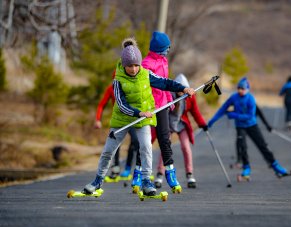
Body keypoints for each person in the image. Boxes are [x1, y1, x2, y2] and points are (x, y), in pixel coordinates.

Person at [82, 38, 195, 196]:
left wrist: (183, 88)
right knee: (108, 151)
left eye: (136, 65)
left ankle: (146, 182)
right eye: (130, 66)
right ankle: (97, 181)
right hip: (123, 119)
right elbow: (121, 104)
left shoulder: (145, 74)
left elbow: (165, 83)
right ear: (124, 64)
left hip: (143, 120)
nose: (134, 69)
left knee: (146, 148)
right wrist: (139, 113)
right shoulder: (118, 80)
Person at [208, 77, 291, 180]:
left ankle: (276, 166)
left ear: (247, 89)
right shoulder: (234, 97)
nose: (240, 90)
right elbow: (222, 110)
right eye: (238, 88)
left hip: (252, 125)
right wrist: (212, 121)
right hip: (240, 126)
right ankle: (246, 167)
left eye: (242, 89)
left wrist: (234, 115)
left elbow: (250, 116)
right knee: (242, 146)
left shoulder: (251, 99)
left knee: (262, 146)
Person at [132, 31, 182, 193]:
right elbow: (149, 85)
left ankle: (170, 173)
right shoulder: (146, 64)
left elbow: (165, 82)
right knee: (146, 142)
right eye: (166, 48)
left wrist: (169, 99)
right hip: (150, 107)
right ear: (159, 48)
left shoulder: (164, 61)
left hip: (162, 106)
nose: (168, 50)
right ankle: (138, 174)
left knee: (165, 139)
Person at [155, 74, 208, 188]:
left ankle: (189, 174)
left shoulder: (190, 96)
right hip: (168, 123)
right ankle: (160, 174)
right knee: (165, 147)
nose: (182, 92)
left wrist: (202, 124)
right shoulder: (169, 95)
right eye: (180, 89)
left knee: (186, 147)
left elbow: (195, 112)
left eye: (184, 89)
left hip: (181, 123)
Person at [95, 77, 140, 180]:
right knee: (115, 142)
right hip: (118, 120)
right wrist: (98, 120)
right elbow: (101, 105)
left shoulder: (133, 86)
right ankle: (115, 167)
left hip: (132, 119)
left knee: (135, 141)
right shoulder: (111, 88)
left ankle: (128, 168)